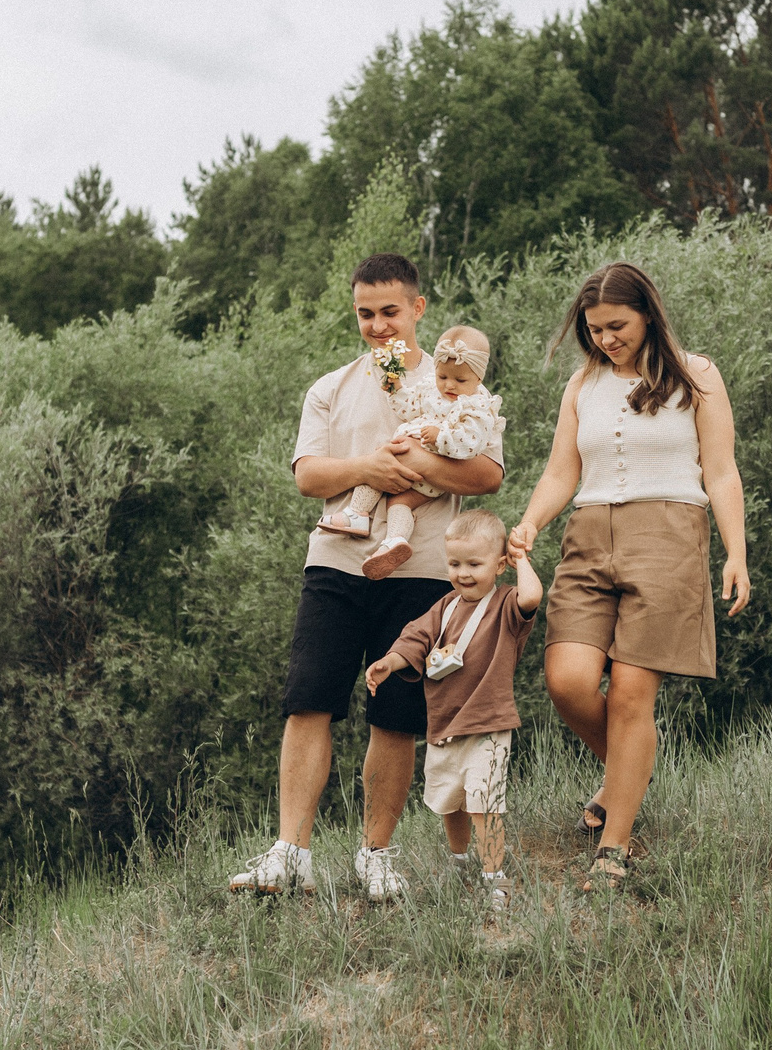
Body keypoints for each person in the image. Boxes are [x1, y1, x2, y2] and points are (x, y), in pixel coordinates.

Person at [232, 253, 506, 900]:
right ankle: (290, 851)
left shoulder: (455, 387)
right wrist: (370, 470)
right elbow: (307, 476)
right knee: (309, 698)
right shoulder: (329, 388)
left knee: (397, 715)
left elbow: (489, 473)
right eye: (365, 313)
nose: (378, 325)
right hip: (335, 559)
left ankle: (374, 854)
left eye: (390, 311)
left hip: (425, 567)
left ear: (418, 308)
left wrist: (418, 473)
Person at [507, 262, 749, 891]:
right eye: (594, 329)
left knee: (636, 696)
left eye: (617, 326)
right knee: (566, 682)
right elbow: (563, 471)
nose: (606, 339)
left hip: (669, 537)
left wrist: (736, 552)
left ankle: (613, 849)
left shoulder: (697, 376)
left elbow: (721, 471)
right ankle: (632, 768)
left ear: (648, 315)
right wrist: (530, 523)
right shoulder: (582, 383)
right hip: (588, 537)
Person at [363, 508, 541, 910]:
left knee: (484, 802)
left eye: (474, 564)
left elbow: (532, 597)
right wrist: (389, 662)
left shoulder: (505, 606)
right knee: (451, 799)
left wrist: (522, 558)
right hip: (444, 724)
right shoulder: (443, 607)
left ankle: (495, 877)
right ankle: (461, 860)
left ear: (498, 565)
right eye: (455, 563)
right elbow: (415, 639)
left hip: (488, 723)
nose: (463, 573)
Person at [316, 325, 507, 582]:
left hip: (436, 466)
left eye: (460, 380)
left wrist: (441, 438)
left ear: (478, 378)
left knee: (387, 462)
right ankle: (394, 541)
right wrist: (396, 388)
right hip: (412, 460)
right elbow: (410, 406)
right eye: (443, 377)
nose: (449, 385)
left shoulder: (477, 406)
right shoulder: (432, 388)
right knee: (397, 499)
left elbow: (471, 442)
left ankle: (358, 515)